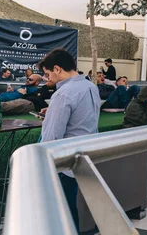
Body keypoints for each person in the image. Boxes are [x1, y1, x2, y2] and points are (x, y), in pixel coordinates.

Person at [38, 48, 101, 231]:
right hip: (85, 157)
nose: (46, 78)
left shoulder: (63, 94)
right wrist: (52, 114)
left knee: (63, 213)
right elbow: (83, 119)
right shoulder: (91, 87)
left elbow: (51, 137)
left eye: (47, 73)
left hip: (64, 162)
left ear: (57, 69)